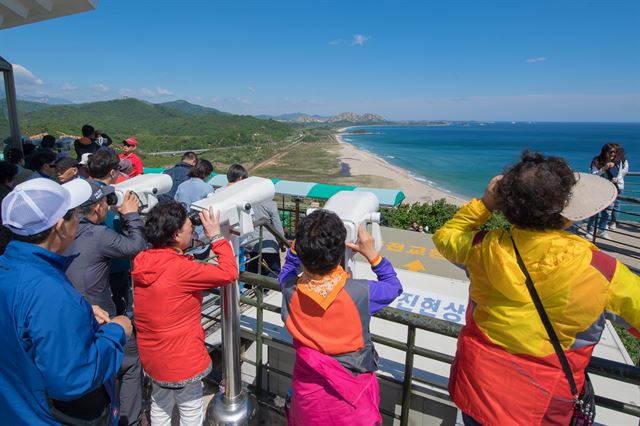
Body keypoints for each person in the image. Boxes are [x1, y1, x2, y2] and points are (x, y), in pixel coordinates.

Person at [432, 152, 640, 425]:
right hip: (541, 407)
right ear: (566, 213)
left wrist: (485, 204)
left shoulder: (482, 248)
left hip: (478, 389)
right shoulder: (602, 271)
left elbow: (445, 236)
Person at [0, 178, 132, 424]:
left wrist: (79, 313)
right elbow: (73, 379)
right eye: (74, 215)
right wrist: (117, 331)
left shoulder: (11, 271)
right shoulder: (49, 292)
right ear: (61, 227)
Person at [279, 210, 403, 425]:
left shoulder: (290, 290)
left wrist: (295, 250)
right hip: (351, 399)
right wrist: (373, 255)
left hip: (308, 395)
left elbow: (286, 272)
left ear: (300, 250)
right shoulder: (360, 293)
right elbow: (394, 287)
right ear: (340, 252)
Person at [132, 202, 238, 425]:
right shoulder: (180, 269)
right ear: (176, 233)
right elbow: (229, 272)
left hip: (153, 356)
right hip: (181, 358)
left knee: (160, 404)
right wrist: (217, 237)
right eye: (190, 225)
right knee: (191, 411)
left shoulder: (143, 260)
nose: (194, 229)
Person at [65, 180, 147, 425]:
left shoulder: (59, 233)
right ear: (97, 208)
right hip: (100, 316)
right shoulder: (97, 234)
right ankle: (129, 419)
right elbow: (137, 246)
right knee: (130, 362)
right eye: (105, 201)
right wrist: (132, 216)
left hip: (72, 314)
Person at [227, 164, 285, 278]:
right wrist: (282, 242)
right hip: (269, 244)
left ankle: (255, 289)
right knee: (275, 270)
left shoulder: (249, 201)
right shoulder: (271, 205)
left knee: (254, 270)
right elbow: (278, 228)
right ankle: (265, 290)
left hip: (252, 243)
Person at [586, 143, 619, 238]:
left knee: (606, 212)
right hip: (597, 189)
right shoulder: (597, 161)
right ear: (605, 152)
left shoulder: (615, 163)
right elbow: (593, 175)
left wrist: (615, 180)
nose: (613, 154)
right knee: (594, 211)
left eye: (614, 152)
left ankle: (601, 230)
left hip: (609, 190)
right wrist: (604, 168)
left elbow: (617, 175)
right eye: (611, 152)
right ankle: (590, 230)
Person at [609, 143, 629, 229]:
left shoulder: (621, 161)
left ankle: (612, 221)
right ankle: (611, 222)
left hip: (617, 184)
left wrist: (616, 178)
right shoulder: (620, 161)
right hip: (616, 184)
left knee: (614, 204)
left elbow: (623, 172)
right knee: (614, 205)